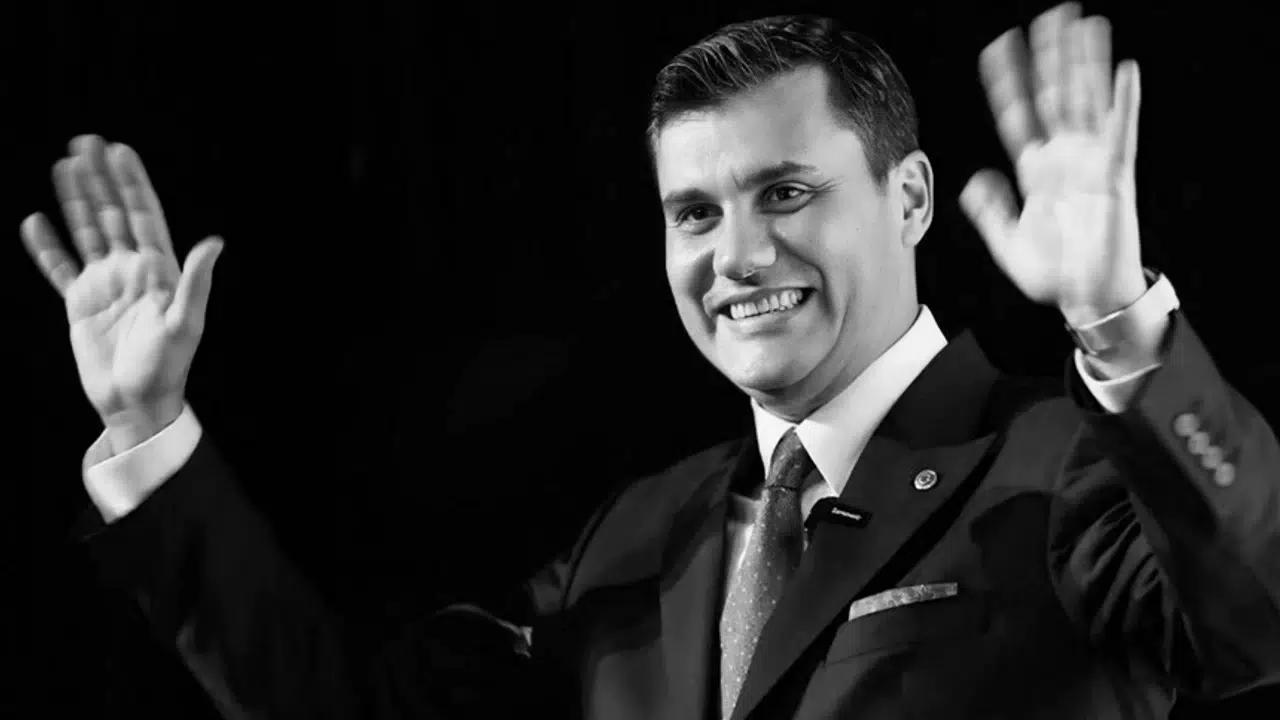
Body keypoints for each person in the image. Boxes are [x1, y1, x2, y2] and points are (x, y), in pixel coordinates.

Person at [20, 5, 1280, 719]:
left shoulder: (1062, 466)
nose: (737, 254)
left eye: (785, 191)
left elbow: (1256, 612)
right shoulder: (635, 538)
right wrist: (151, 433)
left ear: (906, 198)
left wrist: (1115, 315)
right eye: (693, 212)